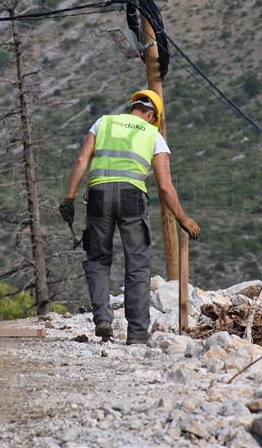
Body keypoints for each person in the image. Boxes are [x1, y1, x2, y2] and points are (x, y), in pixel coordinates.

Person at [59, 90, 201, 345]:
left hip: (99, 195)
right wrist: (182, 218)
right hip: (132, 197)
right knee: (137, 265)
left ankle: (103, 319)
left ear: (134, 107)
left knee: (98, 259)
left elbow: (82, 159)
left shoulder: (103, 122)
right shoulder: (153, 135)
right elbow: (165, 187)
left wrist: (69, 198)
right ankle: (136, 335)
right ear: (151, 114)